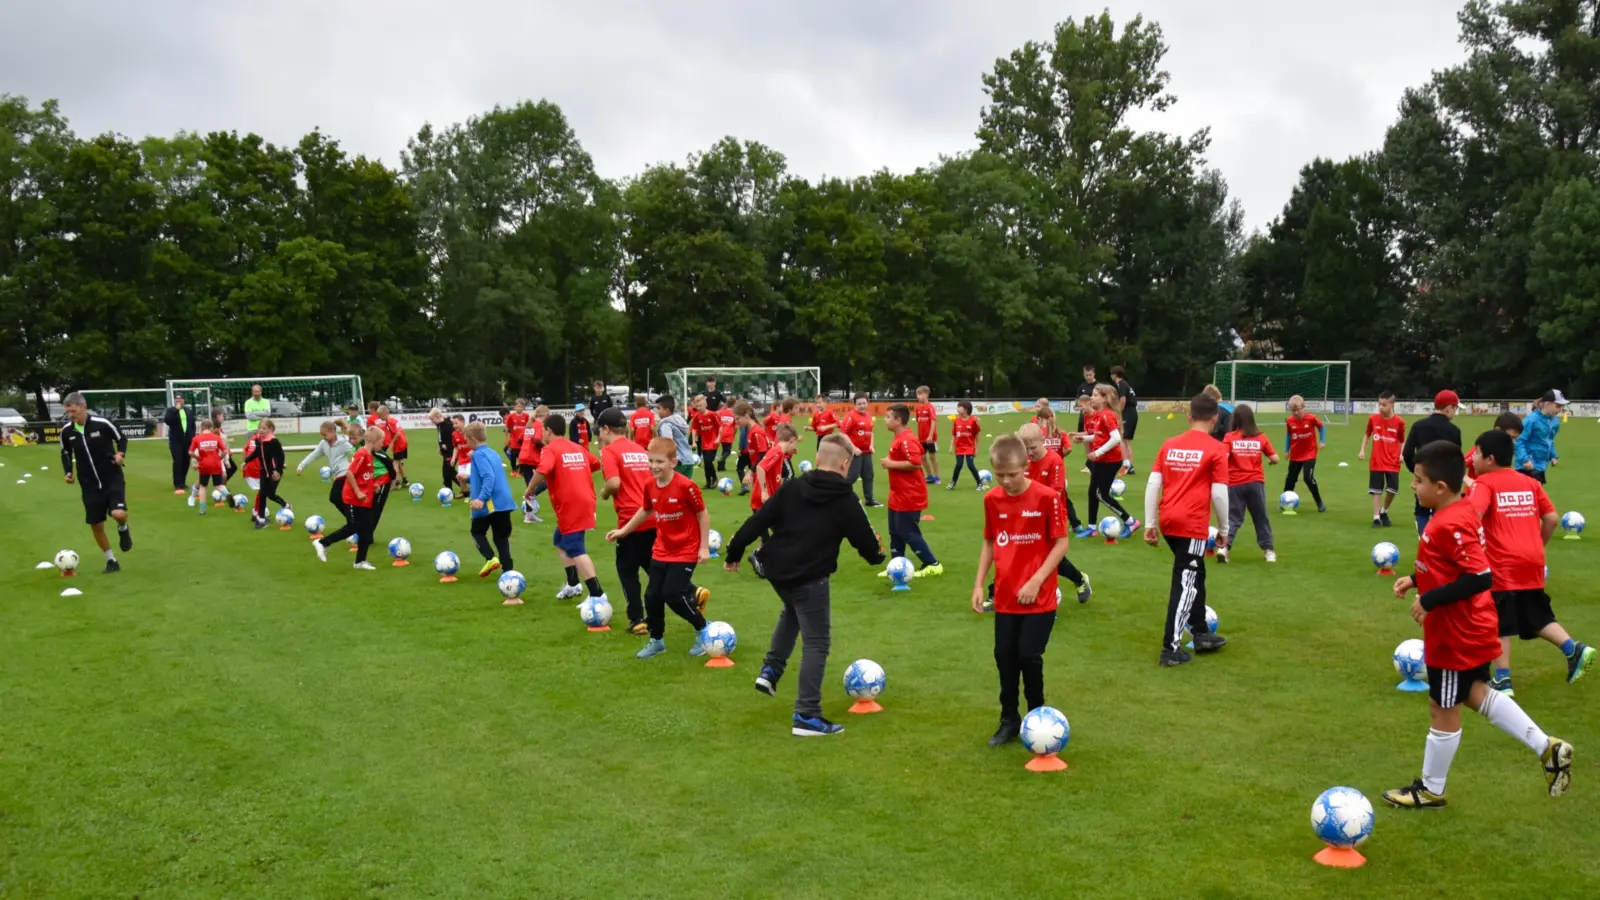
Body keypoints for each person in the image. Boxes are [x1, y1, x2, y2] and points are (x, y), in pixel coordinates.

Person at [1382, 440, 1573, 808]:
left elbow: (1480, 576)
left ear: (1440, 487)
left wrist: (1430, 599)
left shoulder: (1451, 522)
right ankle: (1547, 747)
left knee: (1442, 705)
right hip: (1467, 625)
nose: (1413, 486)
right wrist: (1416, 578)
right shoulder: (1459, 510)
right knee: (1474, 692)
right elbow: (1448, 565)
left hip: (1456, 631)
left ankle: (1430, 789)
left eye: (1418, 480)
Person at [728, 434, 885, 737]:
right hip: (809, 576)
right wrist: (876, 556)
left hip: (777, 571)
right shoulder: (844, 498)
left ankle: (771, 671)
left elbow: (758, 521)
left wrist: (734, 553)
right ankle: (807, 714)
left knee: (791, 611)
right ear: (845, 463)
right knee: (817, 642)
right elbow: (866, 543)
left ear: (816, 459)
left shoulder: (794, 486)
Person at [1468, 430, 1594, 695]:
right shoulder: (1530, 483)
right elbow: (1552, 519)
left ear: (1489, 459)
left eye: (1476, 453)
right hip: (1533, 560)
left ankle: (1502, 679)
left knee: (1498, 618)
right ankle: (1574, 650)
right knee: (1535, 615)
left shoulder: (1485, 483)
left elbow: (1473, 515)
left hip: (1501, 561)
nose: (1473, 458)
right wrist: (1537, 545)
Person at [972, 434, 1071, 747]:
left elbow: (1061, 542)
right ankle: (1009, 719)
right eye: (999, 475)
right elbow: (990, 541)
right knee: (1004, 656)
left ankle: (1038, 716)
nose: (1006, 481)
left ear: (1026, 466)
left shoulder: (1046, 497)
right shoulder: (992, 500)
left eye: (1012, 474)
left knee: (1029, 655)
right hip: (1005, 596)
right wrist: (978, 584)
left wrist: (1037, 580)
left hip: (1039, 597)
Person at [1142, 393, 1230, 667]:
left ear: (1189, 416)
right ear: (1215, 418)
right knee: (1185, 584)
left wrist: (1150, 523)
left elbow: (1153, 484)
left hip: (1168, 520)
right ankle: (1171, 648)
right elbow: (1219, 494)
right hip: (1191, 524)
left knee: (1196, 573)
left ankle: (1201, 631)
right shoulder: (1216, 449)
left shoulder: (1169, 444)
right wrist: (1225, 528)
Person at [607, 437, 712, 659]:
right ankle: (657, 641)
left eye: (660, 462)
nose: (654, 466)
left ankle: (703, 629)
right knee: (652, 596)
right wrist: (624, 531)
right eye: (651, 461)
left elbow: (702, 514)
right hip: (661, 548)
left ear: (673, 462)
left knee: (673, 593)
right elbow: (646, 510)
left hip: (686, 548)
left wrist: (703, 548)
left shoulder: (686, 486)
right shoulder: (648, 484)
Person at [528, 413, 610, 604]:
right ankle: (573, 584)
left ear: (548, 431)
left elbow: (542, 471)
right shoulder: (576, 447)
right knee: (559, 540)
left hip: (571, 504)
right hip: (584, 500)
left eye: (543, 430)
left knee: (575, 548)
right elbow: (596, 464)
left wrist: (529, 489)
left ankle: (597, 594)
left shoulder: (550, 449)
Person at [1017, 423, 1091, 604]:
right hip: (1027, 514)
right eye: (1026, 449)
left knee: (1048, 556)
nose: (1030, 452)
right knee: (1020, 552)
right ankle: (997, 593)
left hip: (1053, 515)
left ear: (1043, 440)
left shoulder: (1054, 461)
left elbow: (1055, 494)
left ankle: (1079, 580)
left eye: (1033, 448)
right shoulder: (1023, 461)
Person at [59, 393, 133, 573]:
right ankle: (111, 560)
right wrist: (68, 471)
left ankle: (123, 528)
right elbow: (65, 453)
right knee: (96, 524)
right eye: (68, 412)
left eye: (74, 411)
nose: (71, 415)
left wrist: (120, 454)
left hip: (112, 477)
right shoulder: (67, 431)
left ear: (83, 406)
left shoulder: (103, 424)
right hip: (88, 484)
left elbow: (121, 438)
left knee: (118, 514)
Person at [597, 408, 654, 634]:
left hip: (630, 519)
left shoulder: (610, 451)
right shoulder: (640, 449)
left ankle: (637, 619)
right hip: (651, 514)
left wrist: (603, 493)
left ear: (605, 429)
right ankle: (691, 593)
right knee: (654, 567)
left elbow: (614, 483)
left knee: (628, 571)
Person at [880, 403, 943, 577]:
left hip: (910, 494)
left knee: (907, 531)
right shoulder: (899, 437)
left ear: (898, 420)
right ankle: (895, 565)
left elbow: (915, 462)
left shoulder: (906, 439)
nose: (884, 420)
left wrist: (891, 464)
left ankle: (933, 564)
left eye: (888, 417)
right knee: (894, 530)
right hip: (898, 493)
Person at [313, 426, 386, 569]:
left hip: (364, 498)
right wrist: (358, 492)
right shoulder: (362, 454)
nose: (382, 445)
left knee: (366, 530)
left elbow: (364, 477)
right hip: (353, 498)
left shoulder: (369, 455)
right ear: (373, 440)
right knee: (353, 526)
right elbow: (350, 473)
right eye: (381, 442)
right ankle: (322, 543)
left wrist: (372, 487)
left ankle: (360, 562)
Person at [1219, 404, 1280, 563]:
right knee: (1260, 517)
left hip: (1235, 484)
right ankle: (1269, 551)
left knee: (1233, 518)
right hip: (1255, 482)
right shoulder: (1261, 437)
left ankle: (1224, 548)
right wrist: (1269, 461)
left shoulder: (1229, 437)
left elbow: (1223, 458)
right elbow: (1275, 458)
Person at [463, 422, 517, 597]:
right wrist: (469, 478)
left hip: (491, 504)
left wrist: (481, 498)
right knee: (501, 538)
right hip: (505, 502)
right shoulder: (492, 452)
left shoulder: (478, 455)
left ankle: (490, 558)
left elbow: (489, 477)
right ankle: (508, 573)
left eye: (466, 440)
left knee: (476, 531)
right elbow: (487, 475)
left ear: (471, 439)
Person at [1080, 384, 1138, 535]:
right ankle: (1092, 528)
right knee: (1093, 491)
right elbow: (1101, 436)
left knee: (1101, 494)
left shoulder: (1106, 415)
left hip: (1109, 460)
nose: (1092, 398)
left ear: (1104, 399)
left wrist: (1097, 453)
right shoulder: (1099, 415)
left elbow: (1116, 438)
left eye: (1095, 395)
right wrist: (1084, 438)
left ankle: (1130, 521)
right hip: (1102, 460)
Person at [1403, 390, 1462, 535]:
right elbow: (1456, 459)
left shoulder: (1418, 426)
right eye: (1455, 408)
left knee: (1421, 511)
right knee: (1444, 513)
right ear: (1448, 408)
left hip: (1424, 480)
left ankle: (1424, 542)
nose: (1455, 412)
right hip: (1445, 482)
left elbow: (1407, 453)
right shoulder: (1454, 431)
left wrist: (1417, 475)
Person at [1359, 391, 1407, 528]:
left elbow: (1402, 441)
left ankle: (1384, 511)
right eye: (1379, 404)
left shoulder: (1399, 422)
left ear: (1392, 404)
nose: (1381, 407)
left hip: (1393, 462)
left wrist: (1402, 454)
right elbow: (1367, 434)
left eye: (1384, 405)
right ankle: (1376, 518)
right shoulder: (1373, 419)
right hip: (1377, 461)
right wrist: (1362, 449)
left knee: (1392, 490)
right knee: (1377, 490)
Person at [296, 420, 354, 531]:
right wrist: (301, 466)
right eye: (321, 435)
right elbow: (314, 455)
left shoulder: (344, 443)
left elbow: (356, 454)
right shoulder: (324, 444)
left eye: (325, 434)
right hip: (337, 475)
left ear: (333, 431)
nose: (323, 437)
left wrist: (354, 468)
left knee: (335, 497)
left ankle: (352, 521)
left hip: (345, 473)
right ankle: (352, 520)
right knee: (340, 499)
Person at [1283, 395, 1326, 513]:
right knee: (1290, 479)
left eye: (1298, 409)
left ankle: (1319, 502)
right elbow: (1288, 435)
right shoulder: (1289, 421)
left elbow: (1322, 427)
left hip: (1310, 453)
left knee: (1308, 478)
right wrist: (1287, 450)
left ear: (1303, 407)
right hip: (1296, 455)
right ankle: (1285, 502)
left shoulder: (1311, 418)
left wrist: (1322, 441)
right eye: (1293, 410)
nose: (1296, 412)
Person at [246, 419, 291, 529]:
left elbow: (279, 457)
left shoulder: (273, 441)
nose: (261, 430)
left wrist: (277, 470)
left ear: (271, 429)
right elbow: (257, 452)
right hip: (263, 472)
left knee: (270, 494)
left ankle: (286, 505)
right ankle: (261, 520)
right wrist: (246, 461)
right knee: (262, 494)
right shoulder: (259, 441)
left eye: (264, 428)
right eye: (260, 428)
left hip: (274, 472)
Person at [1515, 389, 1566, 484]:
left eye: (1562, 406)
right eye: (1558, 406)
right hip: (1527, 465)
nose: (1560, 409)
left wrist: (1553, 455)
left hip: (1541, 465)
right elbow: (1519, 441)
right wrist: (1524, 459)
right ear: (1547, 404)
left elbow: (1549, 440)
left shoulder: (1555, 422)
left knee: (1535, 495)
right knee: (1531, 495)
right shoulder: (1531, 420)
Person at [841, 393, 879, 507]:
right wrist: (853, 448)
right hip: (854, 453)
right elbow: (843, 434)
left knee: (868, 475)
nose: (862, 406)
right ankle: (839, 496)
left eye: (864, 403)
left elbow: (871, 432)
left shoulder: (868, 416)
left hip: (866, 453)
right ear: (854, 404)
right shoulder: (850, 416)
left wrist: (871, 445)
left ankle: (869, 500)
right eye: (859, 404)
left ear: (867, 403)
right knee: (852, 476)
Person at [1465, 413, 1525, 482]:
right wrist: (1472, 483)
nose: (1513, 442)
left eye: (1516, 439)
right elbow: (1456, 466)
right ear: (1497, 430)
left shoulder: (1507, 452)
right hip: (1478, 491)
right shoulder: (1481, 449)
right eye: (1511, 437)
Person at [188, 420, 232, 515]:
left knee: (203, 487)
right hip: (216, 464)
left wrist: (198, 458)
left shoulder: (197, 438)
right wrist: (219, 458)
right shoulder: (216, 437)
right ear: (211, 428)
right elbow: (225, 451)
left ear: (202, 428)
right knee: (218, 485)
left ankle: (202, 509)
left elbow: (190, 452)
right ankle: (227, 494)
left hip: (204, 464)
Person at [654, 395, 697, 479]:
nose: (657, 411)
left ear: (667, 410)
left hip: (677, 462)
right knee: (684, 489)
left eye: (659, 409)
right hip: (688, 460)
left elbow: (669, 443)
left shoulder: (666, 424)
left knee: (669, 489)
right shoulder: (679, 420)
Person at [515, 407, 546, 522]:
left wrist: (526, 446)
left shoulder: (529, 425)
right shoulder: (538, 425)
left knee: (530, 485)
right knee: (546, 480)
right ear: (545, 415)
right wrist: (546, 447)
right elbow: (537, 440)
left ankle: (529, 514)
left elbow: (519, 440)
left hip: (523, 458)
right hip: (532, 459)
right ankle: (529, 502)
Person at [163, 393, 197, 494]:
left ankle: (183, 481)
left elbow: (192, 425)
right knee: (178, 461)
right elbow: (168, 421)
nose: (179, 401)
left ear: (183, 400)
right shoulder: (171, 410)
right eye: (177, 400)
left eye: (180, 399)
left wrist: (193, 436)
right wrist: (176, 410)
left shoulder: (188, 411)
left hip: (188, 441)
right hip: (175, 441)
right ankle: (177, 484)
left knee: (186, 461)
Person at [736, 401, 771, 498]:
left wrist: (750, 472)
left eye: (738, 418)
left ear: (747, 415)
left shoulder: (756, 432)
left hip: (763, 475)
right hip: (758, 475)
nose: (736, 422)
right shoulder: (751, 431)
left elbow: (763, 454)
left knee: (757, 506)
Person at [1110, 366, 1139, 476]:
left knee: (1122, 439)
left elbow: (1123, 400)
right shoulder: (1124, 384)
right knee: (1125, 440)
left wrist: (1118, 413)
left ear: (1114, 374)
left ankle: (1127, 466)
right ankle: (1129, 466)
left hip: (1128, 413)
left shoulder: (1121, 384)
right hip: (1131, 412)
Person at [948, 401, 982, 490]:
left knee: (970, 465)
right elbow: (954, 435)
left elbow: (977, 437)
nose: (957, 409)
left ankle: (980, 483)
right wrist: (951, 446)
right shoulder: (956, 421)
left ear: (966, 409)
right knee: (958, 465)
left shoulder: (973, 421)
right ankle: (953, 483)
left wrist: (977, 449)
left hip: (970, 448)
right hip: (959, 448)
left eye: (959, 407)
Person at [691, 394, 722, 488]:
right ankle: (708, 482)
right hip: (704, 442)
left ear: (705, 405)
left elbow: (720, 426)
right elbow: (694, 429)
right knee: (706, 463)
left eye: (700, 406)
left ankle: (715, 479)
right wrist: (693, 442)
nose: (699, 408)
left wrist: (719, 438)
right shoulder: (697, 416)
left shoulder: (712, 414)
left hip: (713, 442)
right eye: (697, 406)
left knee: (708, 461)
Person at [913, 385, 941, 485]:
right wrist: (918, 435)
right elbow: (919, 422)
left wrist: (930, 435)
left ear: (926, 394)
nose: (918, 396)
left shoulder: (930, 407)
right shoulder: (918, 408)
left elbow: (933, 421)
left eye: (920, 394)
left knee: (932, 457)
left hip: (931, 438)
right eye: (917, 394)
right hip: (921, 438)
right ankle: (930, 476)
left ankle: (937, 477)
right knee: (922, 457)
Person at [430, 408, 456, 497]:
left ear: (437, 417)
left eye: (432, 419)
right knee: (446, 473)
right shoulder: (440, 425)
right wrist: (441, 448)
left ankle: (465, 489)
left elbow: (453, 438)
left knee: (449, 471)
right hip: (446, 452)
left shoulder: (448, 425)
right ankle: (449, 491)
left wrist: (447, 446)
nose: (432, 421)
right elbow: (441, 438)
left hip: (452, 452)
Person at [450, 414, 473, 499]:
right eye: (453, 423)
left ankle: (477, 492)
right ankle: (467, 495)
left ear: (463, 422)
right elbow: (455, 447)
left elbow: (477, 443)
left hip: (471, 459)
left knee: (467, 477)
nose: (454, 425)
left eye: (456, 423)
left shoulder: (469, 432)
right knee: (461, 479)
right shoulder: (454, 434)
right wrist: (453, 458)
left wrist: (472, 450)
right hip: (461, 460)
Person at [504, 399, 530, 468]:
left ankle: (521, 469)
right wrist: (506, 439)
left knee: (523, 456)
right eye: (518, 406)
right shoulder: (511, 416)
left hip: (524, 440)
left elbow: (529, 427)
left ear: (523, 407)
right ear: (515, 407)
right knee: (513, 455)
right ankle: (514, 469)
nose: (519, 408)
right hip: (514, 440)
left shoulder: (526, 416)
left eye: (521, 406)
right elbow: (507, 428)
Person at [716, 401, 739, 471]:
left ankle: (721, 467)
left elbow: (717, 420)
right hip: (729, 434)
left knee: (724, 450)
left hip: (721, 433)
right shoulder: (734, 414)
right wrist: (734, 434)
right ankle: (721, 460)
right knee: (728, 451)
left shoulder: (721, 412)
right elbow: (736, 427)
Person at [1074, 365, 1097, 433]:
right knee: (1082, 432)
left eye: (1090, 375)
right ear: (1084, 374)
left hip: (1095, 413)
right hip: (1084, 413)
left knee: (1095, 432)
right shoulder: (1081, 387)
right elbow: (1078, 400)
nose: (1088, 377)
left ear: (1094, 374)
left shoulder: (1099, 386)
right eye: (1086, 375)